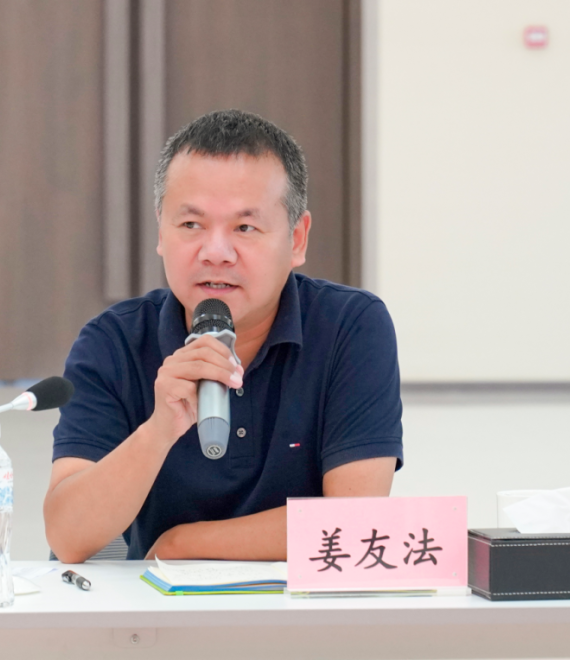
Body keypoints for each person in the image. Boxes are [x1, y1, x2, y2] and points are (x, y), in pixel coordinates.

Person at [44, 109, 402, 562]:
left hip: (297, 603)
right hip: (156, 605)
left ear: (296, 239)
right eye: (191, 225)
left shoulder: (351, 326)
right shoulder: (112, 342)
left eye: (245, 227)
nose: (215, 253)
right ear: (161, 232)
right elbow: (67, 537)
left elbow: (355, 521)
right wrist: (159, 430)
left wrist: (181, 544)